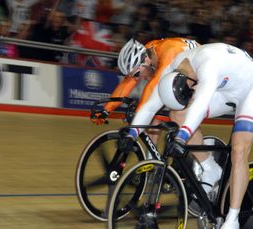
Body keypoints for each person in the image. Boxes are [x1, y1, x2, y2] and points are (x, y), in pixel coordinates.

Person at [123, 43, 253, 229]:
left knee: (239, 150)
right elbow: (149, 107)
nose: (192, 91)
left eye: (191, 89)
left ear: (190, 82)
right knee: (177, 114)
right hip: (224, 87)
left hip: (252, 89)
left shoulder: (207, 66)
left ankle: (232, 220)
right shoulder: (171, 70)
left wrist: (182, 137)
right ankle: (210, 167)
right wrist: (131, 135)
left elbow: (200, 105)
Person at [94, 38, 222, 197]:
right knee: (155, 117)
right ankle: (152, 165)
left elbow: (152, 90)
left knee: (177, 114)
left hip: (205, 74)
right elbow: (128, 82)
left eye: (138, 74)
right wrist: (107, 109)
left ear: (146, 61)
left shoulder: (167, 54)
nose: (138, 78)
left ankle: (206, 165)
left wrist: (137, 120)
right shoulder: (146, 52)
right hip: (183, 73)